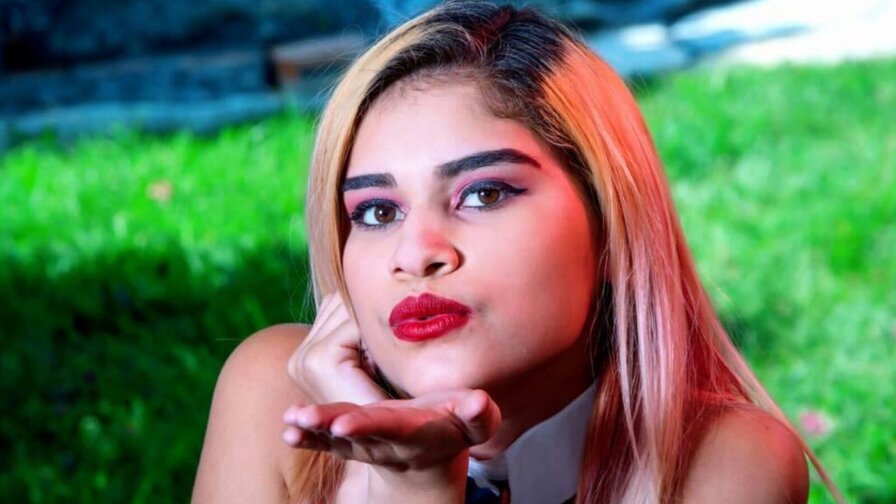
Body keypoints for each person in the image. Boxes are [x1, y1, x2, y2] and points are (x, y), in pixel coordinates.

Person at [192, 1, 842, 502]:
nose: (416, 255)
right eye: (378, 211)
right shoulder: (272, 397)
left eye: (483, 194)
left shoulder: (725, 461)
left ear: (611, 224)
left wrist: (420, 485)